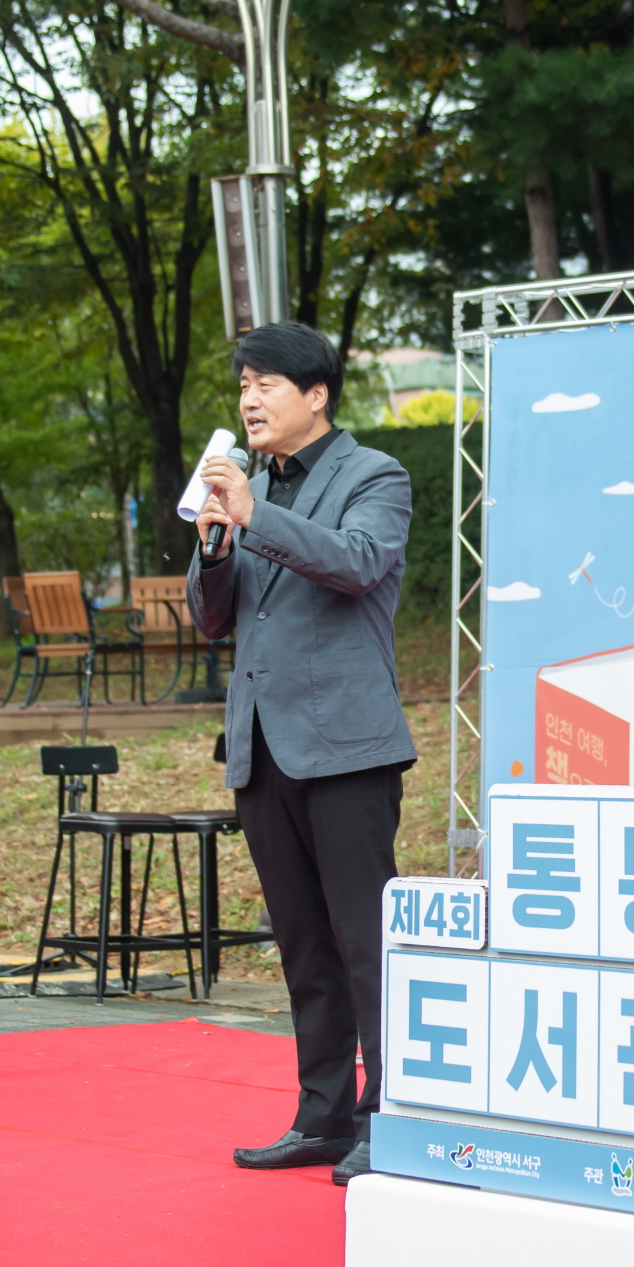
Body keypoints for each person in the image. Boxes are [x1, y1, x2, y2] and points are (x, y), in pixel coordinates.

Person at [190, 321, 416, 1186]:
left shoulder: (374, 475)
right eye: (243, 385)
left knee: (366, 945)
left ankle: (384, 1120)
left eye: (266, 384)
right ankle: (320, 1115)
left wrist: (256, 517)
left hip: (347, 749)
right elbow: (213, 616)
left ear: (316, 394)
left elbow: (358, 563)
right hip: (263, 747)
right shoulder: (248, 486)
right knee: (304, 948)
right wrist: (215, 545)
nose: (249, 400)